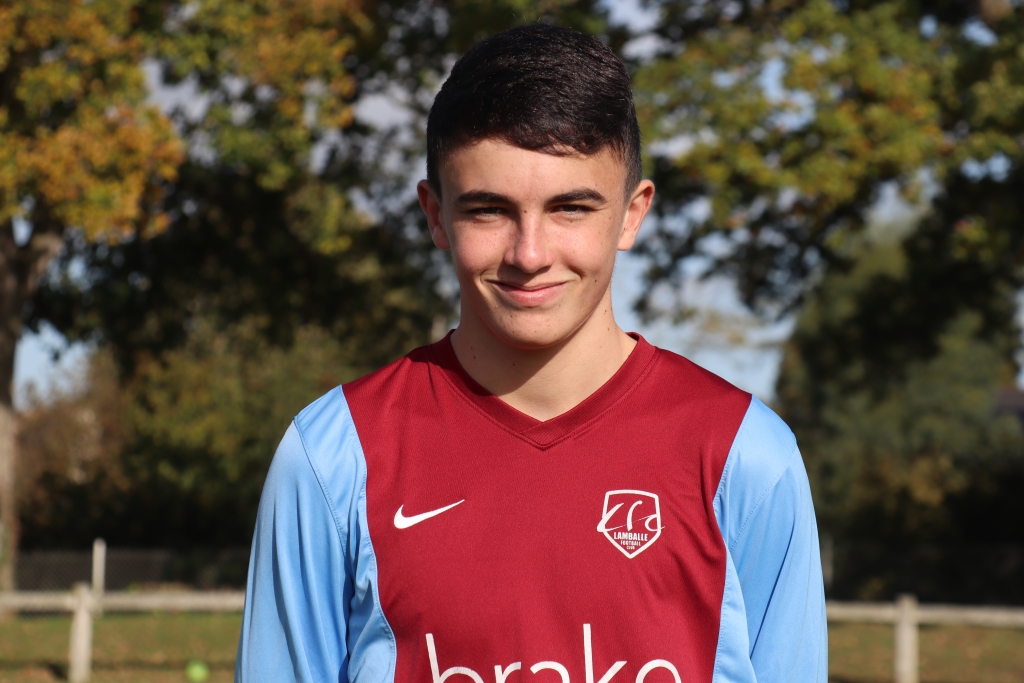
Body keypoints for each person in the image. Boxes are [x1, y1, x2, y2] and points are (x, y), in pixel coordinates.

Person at [235, 24, 827, 683]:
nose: (530, 253)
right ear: (435, 214)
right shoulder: (334, 455)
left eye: (571, 208)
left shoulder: (744, 453)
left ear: (632, 213)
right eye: (489, 210)